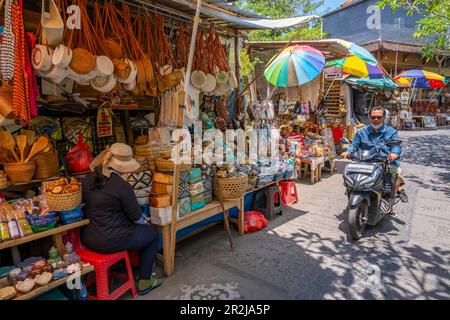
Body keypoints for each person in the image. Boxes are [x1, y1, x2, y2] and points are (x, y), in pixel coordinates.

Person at [80, 143, 162, 295]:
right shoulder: (121, 186)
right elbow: (136, 217)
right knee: (152, 234)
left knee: (141, 231)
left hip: (88, 238)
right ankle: (145, 280)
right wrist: (147, 222)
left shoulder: (87, 179)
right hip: (111, 240)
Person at [341, 106, 408, 203]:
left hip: (385, 162)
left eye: (379, 117)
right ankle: (351, 194)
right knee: (351, 176)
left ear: (383, 118)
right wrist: (348, 151)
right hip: (365, 162)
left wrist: (394, 153)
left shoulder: (391, 132)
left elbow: (396, 146)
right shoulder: (361, 132)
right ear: (369, 117)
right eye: (373, 117)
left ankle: (396, 193)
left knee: (394, 175)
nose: (376, 119)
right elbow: (354, 145)